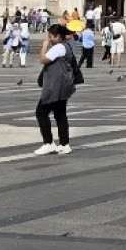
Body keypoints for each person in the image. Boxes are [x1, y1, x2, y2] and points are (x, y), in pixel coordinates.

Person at [31, 23, 81, 156]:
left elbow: (43, 59)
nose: (49, 38)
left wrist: (44, 46)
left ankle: (48, 143)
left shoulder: (58, 47)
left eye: (51, 36)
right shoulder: (67, 46)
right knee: (60, 114)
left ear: (58, 36)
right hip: (63, 85)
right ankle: (64, 144)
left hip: (54, 86)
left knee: (41, 112)